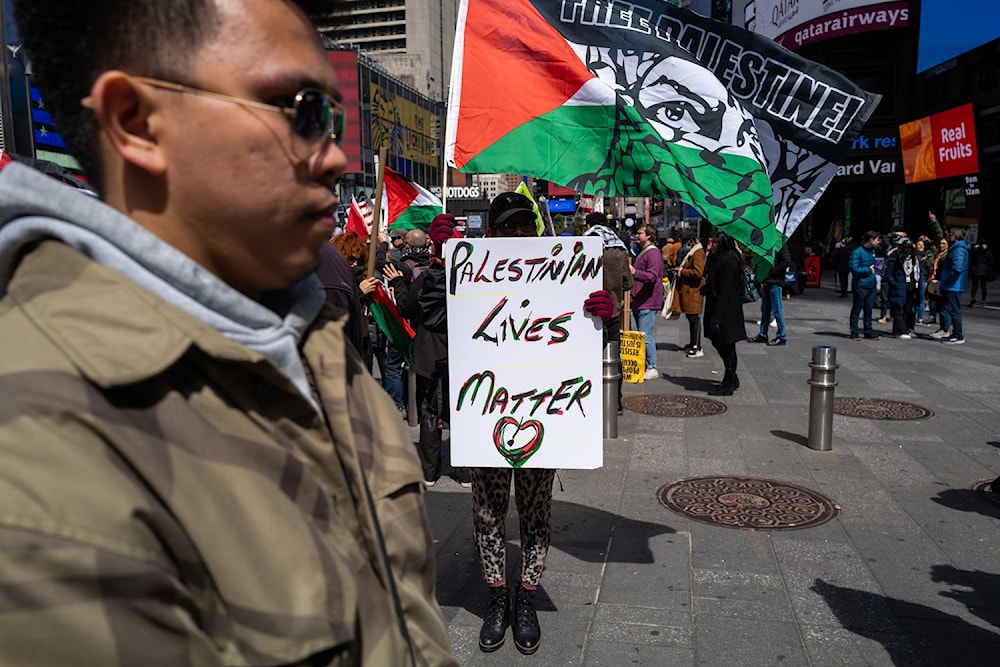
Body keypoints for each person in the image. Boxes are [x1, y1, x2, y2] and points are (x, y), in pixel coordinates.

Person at [0, 1, 456, 665]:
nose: (333, 155)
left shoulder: (314, 339)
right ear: (137, 122)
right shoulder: (39, 451)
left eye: (333, 117)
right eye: (299, 110)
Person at [424, 194, 612, 656]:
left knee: (536, 513)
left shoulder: (562, 273)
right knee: (487, 514)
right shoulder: (466, 274)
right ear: (491, 232)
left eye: (523, 224)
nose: (516, 234)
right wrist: (438, 267)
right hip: (488, 420)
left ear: (534, 228)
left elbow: (577, 345)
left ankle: (524, 600)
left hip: (542, 420)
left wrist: (600, 317)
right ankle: (495, 598)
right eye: (506, 227)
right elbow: (425, 312)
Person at [584, 213, 633, 413]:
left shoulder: (584, 244)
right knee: (614, 356)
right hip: (613, 311)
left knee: (590, 356)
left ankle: (591, 399)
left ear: (589, 225)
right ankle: (616, 400)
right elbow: (628, 283)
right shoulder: (620, 249)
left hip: (588, 312)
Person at [703, 230, 747, 395]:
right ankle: (731, 377)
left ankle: (729, 382)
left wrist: (717, 317)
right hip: (717, 306)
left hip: (726, 310)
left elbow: (726, 291)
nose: (711, 245)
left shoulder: (730, 260)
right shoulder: (717, 257)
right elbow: (713, 279)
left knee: (727, 345)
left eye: (714, 242)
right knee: (718, 342)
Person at [629, 224, 665, 378]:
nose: (637, 236)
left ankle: (652, 366)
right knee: (642, 333)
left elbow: (652, 276)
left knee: (645, 334)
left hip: (648, 300)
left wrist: (635, 272)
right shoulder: (643, 252)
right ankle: (646, 364)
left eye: (640, 233)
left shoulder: (653, 253)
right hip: (640, 299)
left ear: (649, 235)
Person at [667, 229, 706, 357]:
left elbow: (697, 272)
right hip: (689, 291)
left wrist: (681, 271)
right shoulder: (693, 251)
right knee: (691, 317)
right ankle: (692, 343)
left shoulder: (698, 252)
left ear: (692, 241)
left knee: (694, 318)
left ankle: (696, 345)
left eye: (685, 242)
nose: (684, 244)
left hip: (694, 291)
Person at [749, 243, 791, 346]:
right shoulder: (769, 241)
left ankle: (781, 336)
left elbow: (787, 261)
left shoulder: (779, 242)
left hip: (775, 280)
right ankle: (763, 334)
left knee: (777, 309)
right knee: (765, 309)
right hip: (768, 279)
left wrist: (772, 271)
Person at [883, 237, 921, 339]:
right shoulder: (896, 258)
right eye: (906, 248)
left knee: (908, 309)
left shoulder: (914, 259)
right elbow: (888, 273)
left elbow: (917, 273)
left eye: (909, 248)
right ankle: (900, 331)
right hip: (899, 286)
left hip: (911, 287)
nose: (908, 250)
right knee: (899, 309)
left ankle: (907, 328)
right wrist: (894, 284)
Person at [848, 231, 883, 340]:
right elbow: (854, 268)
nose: (879, 242)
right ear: (871, 239)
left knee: (869, 309)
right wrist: (868, 270)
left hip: (871, 284)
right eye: (877, 239)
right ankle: (854, 331)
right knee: (857, 309)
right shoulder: (857, 252)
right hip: (861, 285)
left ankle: (868, 331)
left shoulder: (873, 251)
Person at [939, 227, 970, 344]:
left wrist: (947, 279)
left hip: (954, 284)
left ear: (956, 236)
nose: (949, 236)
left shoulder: (959, 250)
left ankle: (958, 335)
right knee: (952, 310)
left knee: (954, 310)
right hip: (953, 284)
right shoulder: (957, 249)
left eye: (951, 234)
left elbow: (957, 268)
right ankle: (956, 333)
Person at [968, 237, 993, 307]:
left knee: (974, 286)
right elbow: (990, 260)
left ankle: (972, 298)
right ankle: (983, 301)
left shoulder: (974, 249)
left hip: (975, 269)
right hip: (984, 270)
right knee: (983, 286)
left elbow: (971, 258)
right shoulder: (987, 250)